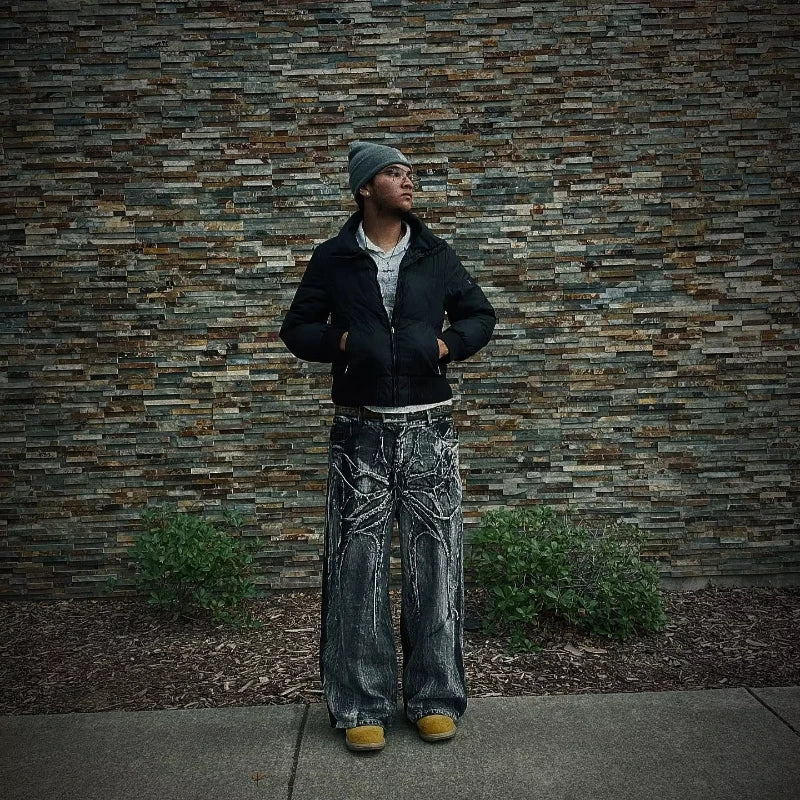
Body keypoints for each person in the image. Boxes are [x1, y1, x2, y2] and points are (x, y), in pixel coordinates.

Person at [280, 141, 496, 752]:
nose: (408, 182)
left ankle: (434, 699)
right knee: (357, 571)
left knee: (437, 567)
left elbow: (480, 315)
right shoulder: (334, 258)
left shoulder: (434, 253)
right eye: (394, 173)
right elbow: (297, 329)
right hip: (361, 432)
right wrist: (344, 342)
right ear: (365, 187)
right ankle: (361, 705)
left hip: (430, 429)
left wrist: (445, 346)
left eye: (410, 174)